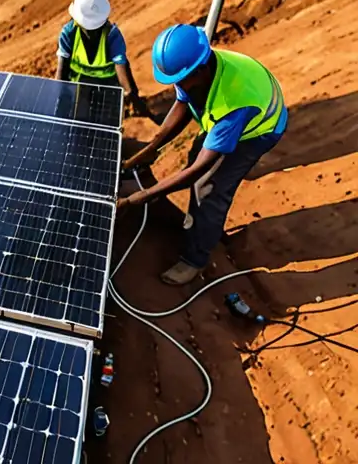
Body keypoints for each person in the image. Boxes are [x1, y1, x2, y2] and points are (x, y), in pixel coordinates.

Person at [119, 25, 287, 285]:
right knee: (196, 165)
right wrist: (149, 150)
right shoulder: (197, 66)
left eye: (179, 79)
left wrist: (138, 199)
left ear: (199, 71)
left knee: (209, 188)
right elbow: (184, 103)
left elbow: (200, 169)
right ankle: (200, 227)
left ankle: (194, 259)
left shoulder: (233, 104)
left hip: (258, 131)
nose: (176, 84)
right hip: (235, 112)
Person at [56, 0, 147, 116]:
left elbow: (121, 68)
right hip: (80, 87)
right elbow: (61, 73)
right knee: (82, 118)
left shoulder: (112, 36)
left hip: (108, 87)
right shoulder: (68, 33)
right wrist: (60, 99)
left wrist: (131, 94)